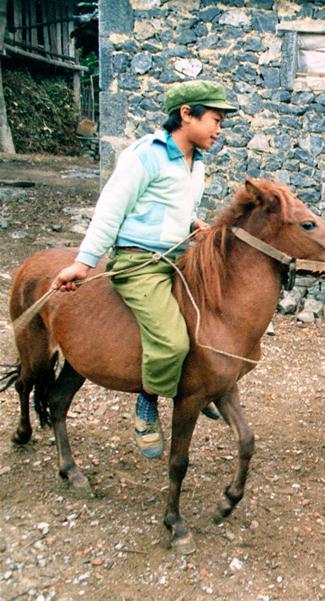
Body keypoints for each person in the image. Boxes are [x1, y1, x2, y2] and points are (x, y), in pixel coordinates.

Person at [50, 80, 238, 459]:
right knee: (172, 341)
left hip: (175, 258)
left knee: (210, 324)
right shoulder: (145, 155)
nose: (219, 130)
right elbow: (111, 210)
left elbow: (174, 206)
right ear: (186, 114)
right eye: (215, 120)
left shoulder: (195, 161)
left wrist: (193, 224)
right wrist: (83, 264)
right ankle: (147, 404)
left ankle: (200, 389)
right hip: (139, 264)